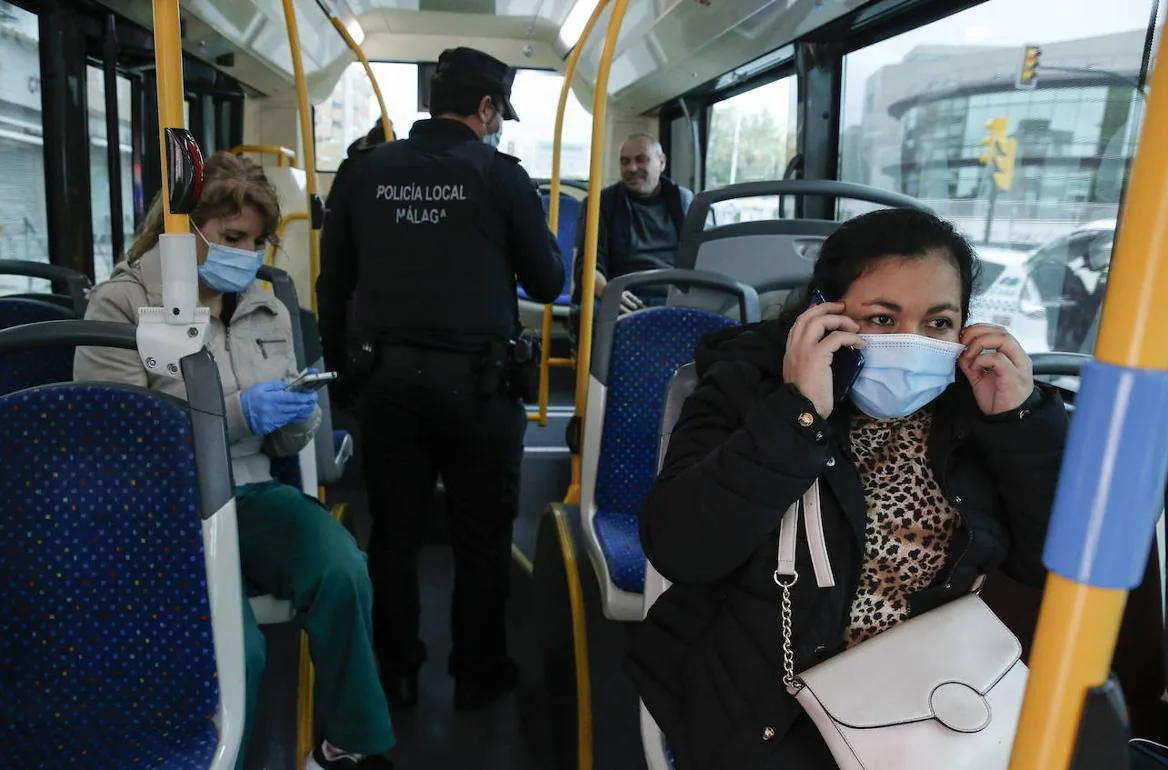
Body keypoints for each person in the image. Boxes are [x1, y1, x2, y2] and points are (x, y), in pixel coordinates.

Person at [626, 208, 1069, 770]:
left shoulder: (974, 410)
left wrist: (1020, 423)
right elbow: (681, 545)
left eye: (937, 324)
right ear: (823, 315)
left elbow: (1055, 564)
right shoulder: (747, 388)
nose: (913, 343)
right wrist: (798, 415)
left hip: (932, 698)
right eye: (882, 320)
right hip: (769, 706)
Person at [73, 152, 395, 770]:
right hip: (161, 510)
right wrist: (240, 412)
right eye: (232, 239)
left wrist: (298, 415)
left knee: (342, 569)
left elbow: (288, 443)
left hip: (247, 492)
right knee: (235, 650)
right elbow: (119, 443)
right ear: (184, 230)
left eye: (257, 241)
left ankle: (348, 740)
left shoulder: (265, 304)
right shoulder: (121, 305)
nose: (247, 255)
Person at [317, 45, 565, 711]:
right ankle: (477, 672)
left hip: (387, 385)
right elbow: (548, 281)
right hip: (480, 388)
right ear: (485, 109)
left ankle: (393, 671)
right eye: (498, 115)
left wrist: (342, 374)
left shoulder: (364, 172)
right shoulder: (501, 176)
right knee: (481, 539)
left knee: (392, 533)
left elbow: (333, 283)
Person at [570, 133, 696, 316]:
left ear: (662, 163)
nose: (632, 168)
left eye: (641, 160)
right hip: (625, 294)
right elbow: (589, 265)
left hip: (676, 295)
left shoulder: (684, 201)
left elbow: (701, 258)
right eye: (625, 162)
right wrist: (609, 293)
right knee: (594, 314)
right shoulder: (602, 204)